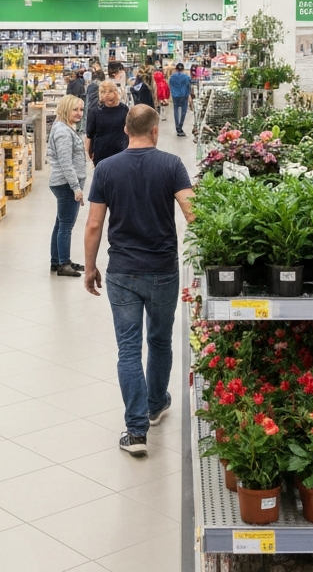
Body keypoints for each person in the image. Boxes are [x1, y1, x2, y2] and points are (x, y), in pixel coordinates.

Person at [82, 104, 194, 456]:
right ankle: (157, 403)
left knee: (128, 349)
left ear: (126, 130)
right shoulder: (172, 165)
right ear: (155, 131)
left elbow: (94, 224)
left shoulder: (106, 169)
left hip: (123, 271)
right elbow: (194, 213)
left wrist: (89, 267)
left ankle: (135, 430)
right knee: (160, 341)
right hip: (163, 269)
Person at [48, 95, 87, 277]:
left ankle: (58, 261)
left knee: (60, 223)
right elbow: (66, 163)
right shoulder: (63, 132)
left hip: (64, 183)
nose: (79, 113)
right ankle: (63, 264)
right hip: (66, 184)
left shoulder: (64, 127)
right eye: (75, 109)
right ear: (65, 109)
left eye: (81, 109)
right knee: (66, 225)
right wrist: (76, 188)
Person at [85, 80, 130, 166]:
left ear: (115, 92)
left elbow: (130, 132)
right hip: (101, 155)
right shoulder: (95, 112)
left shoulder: (124, 110)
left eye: (110, 91)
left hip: (121, 153)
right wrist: (88, 153)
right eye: (103, 92)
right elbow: (89, 135)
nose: (107, 94)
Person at [169, 62, 192, 137]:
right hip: (184, 96)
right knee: (183, 111)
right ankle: (180, 127)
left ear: (175, 69)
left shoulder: (172, 77)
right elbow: (188, 87)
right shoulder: (187, 77)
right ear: (183, 69)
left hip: (175, 96)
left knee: (176, 111)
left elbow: (171, 86)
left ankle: (177, 128)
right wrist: (189, 96)